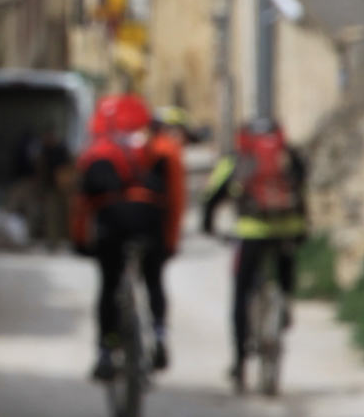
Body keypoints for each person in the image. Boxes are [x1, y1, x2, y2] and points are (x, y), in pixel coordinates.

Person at [70, 94, 184, 380]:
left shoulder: (96, 151)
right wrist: (170, 242)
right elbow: (176, 200)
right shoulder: (160, 149)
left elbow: (81, 204)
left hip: (112, 225)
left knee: (109, 285)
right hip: (150, 222)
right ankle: (158, 335)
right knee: (153, 279)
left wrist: (80, 241)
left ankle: (106, 352)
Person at [200, 117, 309, 391]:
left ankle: (239, 363)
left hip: (251, 231)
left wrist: (208, 224)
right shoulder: (289, 155)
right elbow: (302, 186)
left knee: (241, 292)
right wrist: (303, 227)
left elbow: (213, 194)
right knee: (284, 263)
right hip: (287, 228)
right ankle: (284, 301)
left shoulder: (238, 158)